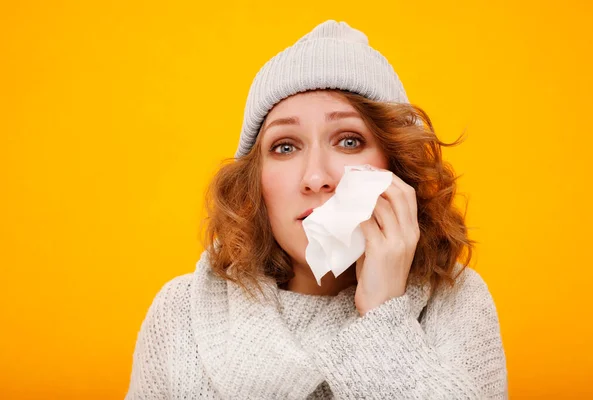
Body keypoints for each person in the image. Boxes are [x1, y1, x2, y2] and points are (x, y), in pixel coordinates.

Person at [125, 20, 508, 399]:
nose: (315, 177)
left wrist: (383, 313)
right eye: (285, 147)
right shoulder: (181, 313)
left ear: (396, 166)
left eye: (348, 141)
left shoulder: (457, 300)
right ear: (255, 184)